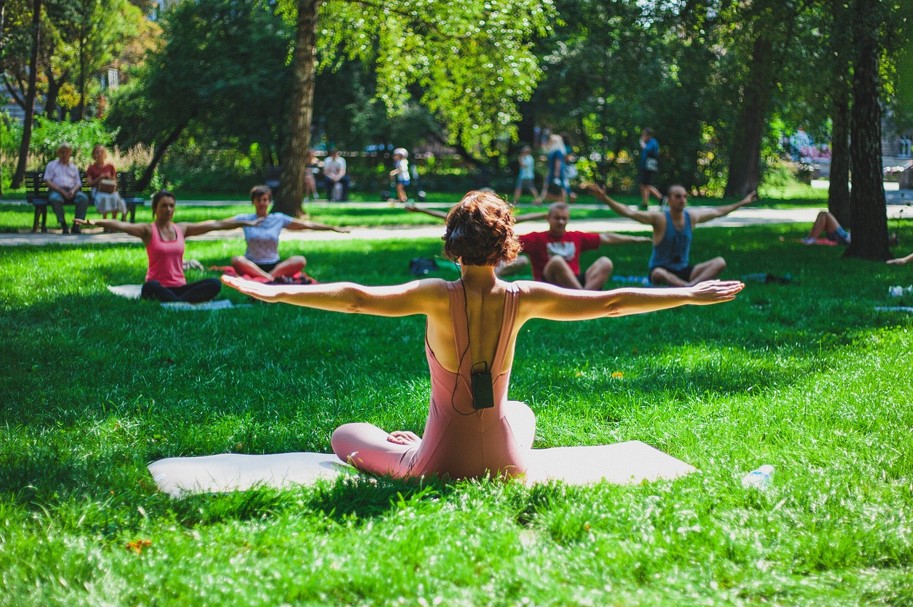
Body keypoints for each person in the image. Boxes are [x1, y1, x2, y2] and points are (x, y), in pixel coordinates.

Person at [222, 190, 744, 480]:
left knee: (345, 434)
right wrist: (689, 294)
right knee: (519, 411)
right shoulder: (525, 296)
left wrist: (280, 293)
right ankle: (444, 440)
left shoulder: (433, 293)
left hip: (437, 463)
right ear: (506, 246)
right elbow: (609, 303)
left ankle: (411, 445)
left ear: (453, 245)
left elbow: (356, 296)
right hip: (507, 464)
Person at [75, 191, 262, 303]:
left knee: (213, 283)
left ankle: (178, 302)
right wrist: (93, 221)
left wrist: (243, 223)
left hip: (180, 287)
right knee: (149, 287)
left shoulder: (182, 229)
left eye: (172, 206)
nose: (168, 209)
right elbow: (120, 225)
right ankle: (180, 303)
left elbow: (215, 224)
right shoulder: (148, 230)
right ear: (155, 208)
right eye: (164, 205)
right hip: (158, 286)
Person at [583, 182, 757, 286]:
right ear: (669, 199)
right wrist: (605, 199)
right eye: (677, 196)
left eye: (684, 196)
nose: (682, 200)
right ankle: (689, 289)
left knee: (720, 262)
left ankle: (689, 287)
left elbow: (719, 211)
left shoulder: (692, 217)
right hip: (662, 271)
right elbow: (629, 212)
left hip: (684, 271)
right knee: (659, 273)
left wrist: (742, 202)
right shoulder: (660, 219)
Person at [512, 202, 651, 290]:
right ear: (548, 218)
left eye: (564, 218)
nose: (560, 222)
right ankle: (584, 299)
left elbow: (607, 237)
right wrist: (534, 216)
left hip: (574, 281)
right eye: (556, 218)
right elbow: (508, 237)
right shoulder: (536, 238)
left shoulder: (575, 237)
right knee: (557, 261)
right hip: (548, 285)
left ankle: (583, 298)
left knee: (605, 262)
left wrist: (636, 239)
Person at [230, 185, 350, 282]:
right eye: (258, 200)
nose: (262, 203)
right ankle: (268, 279)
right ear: (253, 202)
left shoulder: (278, 219)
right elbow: (220, 224)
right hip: (252, 264)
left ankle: (266, 278)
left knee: (300, 260)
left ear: (269, 202)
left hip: (274, 265)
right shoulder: (244, 219)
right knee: (236, 260)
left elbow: (307, 225)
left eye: (265, 200)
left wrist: (332, 228)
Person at [44, 142, 90, 234]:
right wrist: (61, 191)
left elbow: (78, 183)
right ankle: (63, 224)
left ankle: (76, 225)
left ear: (70, 153)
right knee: (54, 199)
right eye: (62, 152)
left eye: (67, 152)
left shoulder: (74, 167)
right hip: (57, 190)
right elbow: (47, 181)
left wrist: (72, 191)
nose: (64, 154)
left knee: (83, 198)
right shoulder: (51, 165)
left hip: (72, 191)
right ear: (58, 153)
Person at [85, 144, 127, 222]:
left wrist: (109, 178)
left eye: (101, 152)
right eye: (97, 152)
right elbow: (89, 183)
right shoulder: (91, 168)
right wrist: (99, 178)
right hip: (98, 190)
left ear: (105, 154)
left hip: (110, 190)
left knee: (115, 197)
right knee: (105, 198)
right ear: (94, 155)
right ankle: (106, 222)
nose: (99, 154)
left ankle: (114, 222)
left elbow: (115, 182)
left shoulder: (110, 167)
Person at [537, 134, 568, 204]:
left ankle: (563, 202)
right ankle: (540, 200)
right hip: (553, 171)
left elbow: (558, 163)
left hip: (556, 172)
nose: (549, 142)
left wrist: (556, 175)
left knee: (560, 187)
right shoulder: (554, 151)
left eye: (551, 141)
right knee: (547, 185)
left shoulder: (558, 151)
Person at [638, 128, 662, 210]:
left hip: (649, 167)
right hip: (645, 166)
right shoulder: (648, 142)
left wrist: (642, 143)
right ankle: (645, 202)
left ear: (648, 135)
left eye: (644, 135)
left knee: (646, 185)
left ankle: (660, 198)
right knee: (643, 185)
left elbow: (647, 149)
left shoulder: (653, 142)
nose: (642, 137)